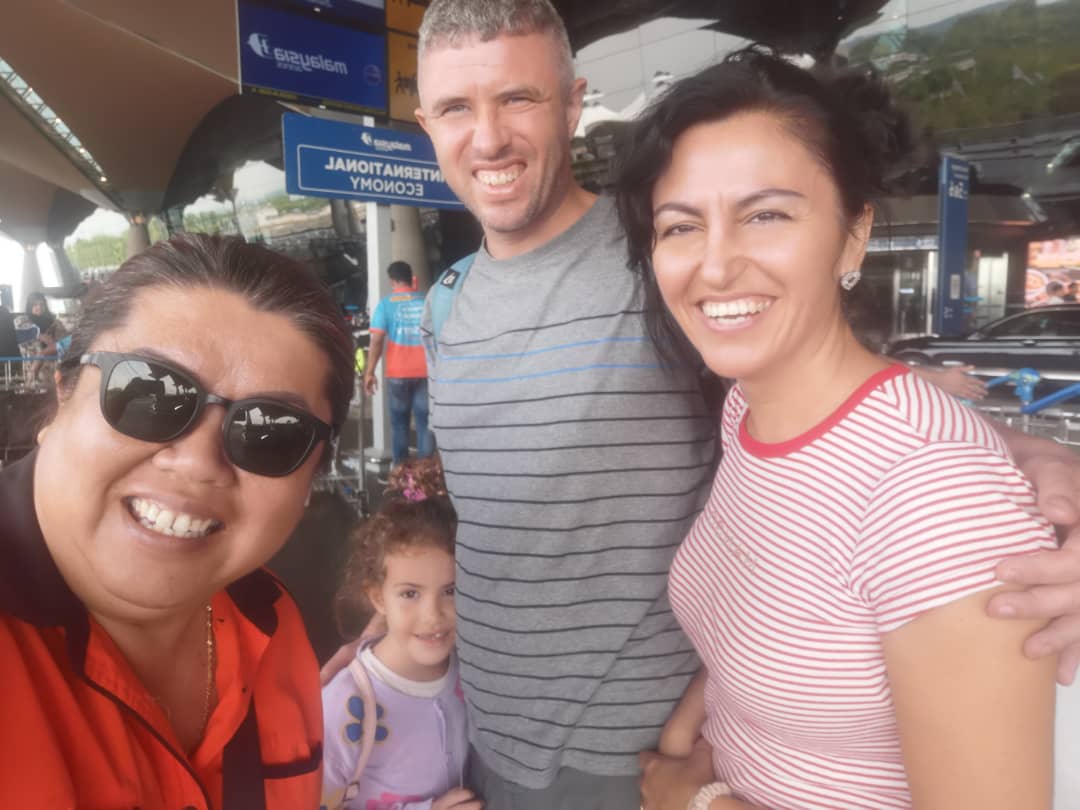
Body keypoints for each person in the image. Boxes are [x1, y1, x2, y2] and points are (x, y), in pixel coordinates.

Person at [319, 1, 1080, 806]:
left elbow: (838, 395)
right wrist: (395, 628)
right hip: (483, 725)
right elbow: (492, 512)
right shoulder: (449, 303)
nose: (488, 138)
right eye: (455, 108)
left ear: (573, 104)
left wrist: (1029, 463)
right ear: (426, 124)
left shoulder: (658, 256)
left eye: (518, 98)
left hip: (630, 757)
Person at [619, 48, 1056, 809]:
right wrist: (685, 743)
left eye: (766, 215)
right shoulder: (748, 410)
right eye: (681, 226)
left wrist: (698, 803)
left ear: (854, 235)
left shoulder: (937, 493)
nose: (714, 267)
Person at [0, 233, 355, 808]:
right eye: (147, 392)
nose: (198, 463)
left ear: (312, 475)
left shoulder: (273, 626)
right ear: (62, 393)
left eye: (270, 431)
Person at [321, 457, 479, 810]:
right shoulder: (345, 705)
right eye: (410, 594)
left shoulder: (467, 674)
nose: (433, 615)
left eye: (451, 590)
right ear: (378, 597)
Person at [365, 261, 434, 467]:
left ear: (393, 281)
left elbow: (377, 340)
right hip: (425, 372)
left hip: (397, 373)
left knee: (399, 425)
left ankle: (401, 477)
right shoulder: (426, 301)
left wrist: (370, 371)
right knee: (425, 425)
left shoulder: (386, 304)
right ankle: (426, 477)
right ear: (412, 278)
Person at [25, 291, 67, 387]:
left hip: (53, 368)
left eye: (41, 304)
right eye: (35, 305)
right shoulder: (23, 321)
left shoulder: (55, 323)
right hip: (30, 369)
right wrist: (41, 336)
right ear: (29, 306)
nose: (39, 307)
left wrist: (52, 343)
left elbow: (64, 343)